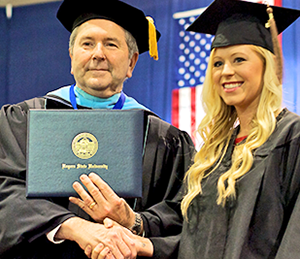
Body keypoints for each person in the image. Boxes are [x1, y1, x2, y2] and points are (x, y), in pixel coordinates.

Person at [71, 0, 300, 258]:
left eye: (239, 60)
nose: (226, 72)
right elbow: (196, 240)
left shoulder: (291, 138)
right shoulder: (215, 154)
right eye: (217, 63)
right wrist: (140, 242)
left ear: (266, 66)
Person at [0, 0, 195, 258]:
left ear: (132, 62)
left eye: (111, 44)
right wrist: (74, 227)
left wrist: (133, 220)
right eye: (87, 43)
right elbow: (5, 192)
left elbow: (183, 215)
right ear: (71, 57)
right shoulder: (23, 121)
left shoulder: (163, 139)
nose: (98, 54)